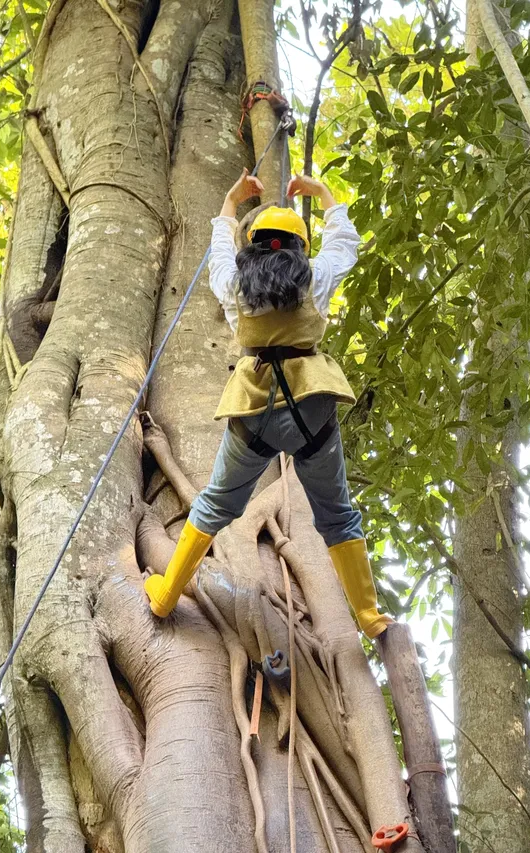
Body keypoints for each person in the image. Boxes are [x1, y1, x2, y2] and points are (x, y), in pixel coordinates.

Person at [144, 170, 393, 639]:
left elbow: (219, 254)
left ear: (253, 245)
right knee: (337, 513)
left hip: (254, 409)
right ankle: (369, 618)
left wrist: (228, 203)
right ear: (300, 248)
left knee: (216, 504)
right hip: (311, 411)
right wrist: (325, 196)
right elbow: (345, 247)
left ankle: (165, 595)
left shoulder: (236, 285)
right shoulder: (314, 279)